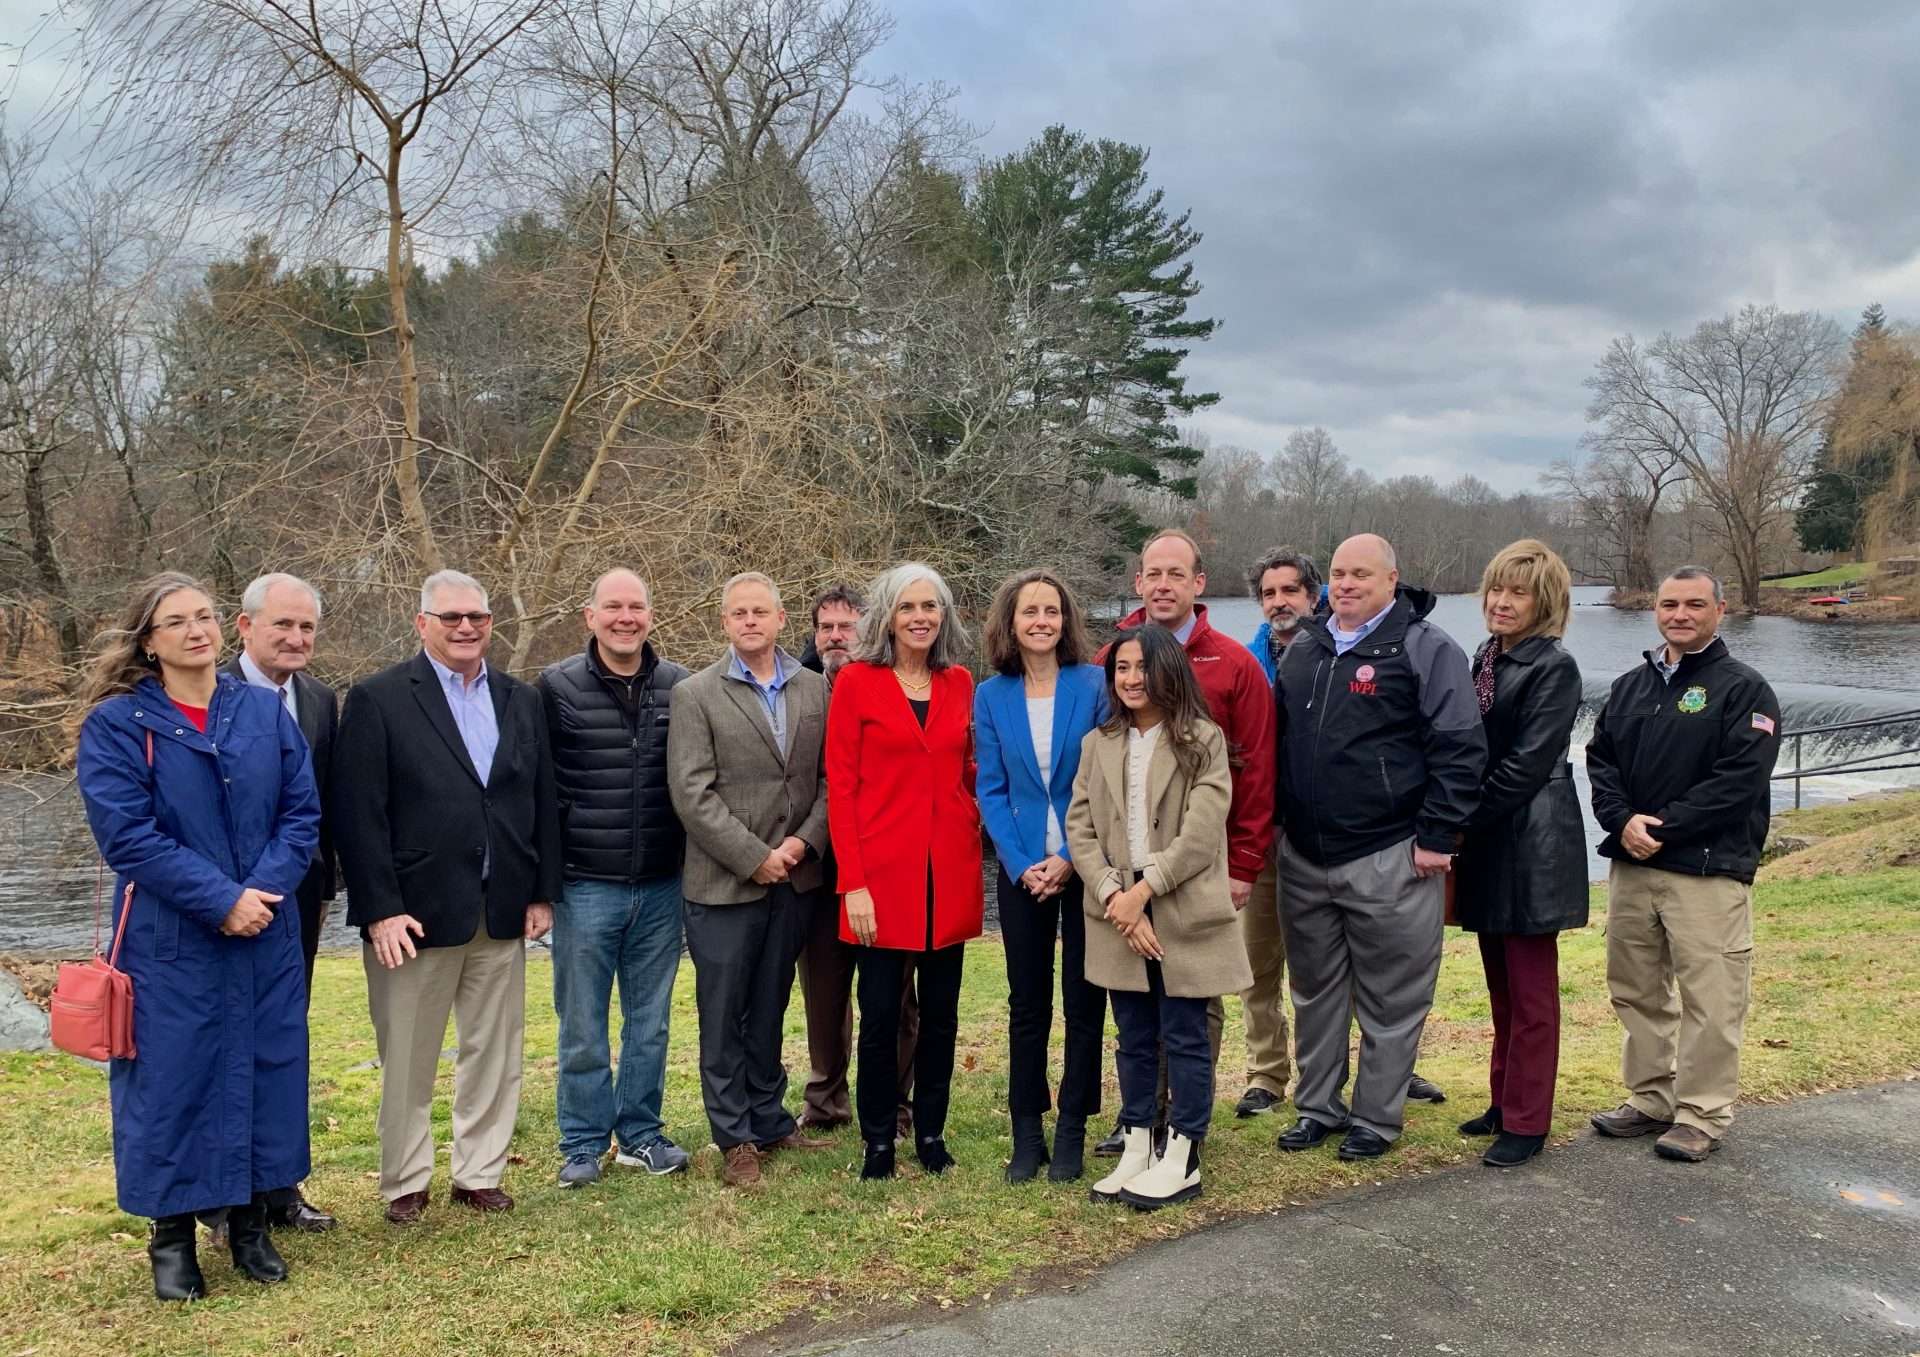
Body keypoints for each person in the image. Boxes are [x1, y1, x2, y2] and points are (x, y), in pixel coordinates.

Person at [75, 572, 320, 1300]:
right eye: (176, 621)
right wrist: (220, 900)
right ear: (149, 642)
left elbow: (301, 814)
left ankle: (249, 1223)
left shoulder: (262, 711)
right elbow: (128, 837)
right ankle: (174, 1236)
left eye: (205, 616)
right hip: (171, 939)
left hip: (265, 930)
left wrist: (260, 893)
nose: (196, 630)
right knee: (171, 1082)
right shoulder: (120, 724)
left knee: (265, 1070)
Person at [332, 570, 561, 1224]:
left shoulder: (520, 698)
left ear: (491, 622)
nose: (466, 627)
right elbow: (358, 815)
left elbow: (540, 798)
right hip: (414, 914)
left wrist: (542, 891)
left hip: (502, 905)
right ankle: (406, 1180)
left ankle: (479, 1173)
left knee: (495, 1050)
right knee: (408, 1054)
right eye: (451, 616)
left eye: (477, 617)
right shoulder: (378, 699)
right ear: (422, 623)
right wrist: (380, 909)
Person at [1272, 533, 1486, 1161]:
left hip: (1390, 852)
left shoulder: (1426, 649)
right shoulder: (1305, 647)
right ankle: (1317, 1107)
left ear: (1392, 580)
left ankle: (1375, 1117)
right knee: (1314, 992)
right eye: (1338, 573)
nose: (1346, 584)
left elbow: (1460, 747)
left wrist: (1438, 836)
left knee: (1392, 997)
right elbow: (1280, 740)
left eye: (1361, 574)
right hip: (1305, 855)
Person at [1585, 565, 1780, 1163]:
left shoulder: (1744, 689)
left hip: (1707, 869)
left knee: (1711, 998)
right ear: (1656, 610)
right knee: (1636, 988)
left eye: (1694, 604)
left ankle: (1701, 1113)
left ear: (1720, 611)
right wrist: (1622, 821)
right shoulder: (1630, 686)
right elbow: (1600, 762)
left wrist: (1661, 829)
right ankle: (1651, 1098)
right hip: (1633, 865)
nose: (1680, 614)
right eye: (1670, 604)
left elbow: (1739, 780)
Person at [1093, 528, 1274, 1156]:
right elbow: (1098, 776)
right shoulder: (1111, 659)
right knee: (1136, 1012)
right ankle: (1139, 1119)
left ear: (1199, 583)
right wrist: (1114, 885)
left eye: (1177, 573)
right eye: (1154, 573)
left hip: (1200, 869)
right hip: (1127, 876)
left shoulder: (1234, 663)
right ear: (1139, 582)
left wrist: (1244, 863)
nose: (1163, 584)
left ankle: (1184, 1126)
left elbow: (1257, 771)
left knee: (1194, 1006)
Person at [1067, 626, 1248, 1210]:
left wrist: (1144, 892)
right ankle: (1139, 1143)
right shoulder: (1098, 743)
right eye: (1121, 668)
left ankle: (1184, 1153)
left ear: (1169, 669)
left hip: (1179, 905)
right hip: (1116, 908)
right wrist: (1115, 895)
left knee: (1186, 1034)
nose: (1131, 678)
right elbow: (1080, 828)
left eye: (1142, 667)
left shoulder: (1202, 739)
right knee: (1135, 1037)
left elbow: (1202, 833)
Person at [668, 572, 833, 1189]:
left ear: (781, 618)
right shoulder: (695, 694)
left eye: (760, 611)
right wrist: (753, 856)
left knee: (770, 1006)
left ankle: (769, 1119)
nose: (750, 621)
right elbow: (692, 793)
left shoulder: (814, 688)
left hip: (794, 878)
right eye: (738, 613)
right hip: (724, 885)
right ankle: (733, 1136)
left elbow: (829, 780)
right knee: (723, 1014)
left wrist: (802, 844)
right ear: (724, 622)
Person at [825, 563, 984, 1180]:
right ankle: (878, 1141)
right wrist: (854, 884)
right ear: (887, 617)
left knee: (941, 1015)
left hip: (948, 872)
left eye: (930, 606)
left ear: (944, 615)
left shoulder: (960, 682)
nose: (920, 617)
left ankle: (932, 1132)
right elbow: (842, 788)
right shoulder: (857, 682)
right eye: (907, 607)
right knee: (880, 1018)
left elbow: (968, 769)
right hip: (881, 878)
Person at [537, 568, 692, 1188]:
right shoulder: (556, 687)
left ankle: (641, 1135)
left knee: (650, 1022)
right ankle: (581, 1143)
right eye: (613, 607)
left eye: (636, 607)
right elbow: (540, 790)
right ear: (590, 616)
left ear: (650, 615)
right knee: (582, 1024)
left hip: (661, 882)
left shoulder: (680, 685)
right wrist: (542, 883)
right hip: (585, 884)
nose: (625, 618)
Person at [1453, 541, 1588, 1168]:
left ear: (1545, 602)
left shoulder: (1553, 668)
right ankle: (1504, 1101)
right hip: (1490, 840)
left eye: (1518, 593)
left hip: (1533, 846)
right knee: (1500, 987)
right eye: (1496, 589)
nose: (1501, 602)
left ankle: (1529, 1120)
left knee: (1532, 995)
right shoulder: (1488, 656)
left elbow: (1524, 767)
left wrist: (1458, 821)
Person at [974, 569, 1108, 1183]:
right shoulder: (991, 695)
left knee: (1084, 1001)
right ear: (1011, 622)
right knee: (1027, 1005)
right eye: (1029, 611)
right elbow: (992, 789)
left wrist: (1073, 858)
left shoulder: (1094, 684)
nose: (1041, 621)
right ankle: (1027, 1131)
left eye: (1051, 611)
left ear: (1065, 620)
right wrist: (1022, 863)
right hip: (1023, 869)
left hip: (1086, 864)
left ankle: (1073, 1127)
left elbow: (1102, 780)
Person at [224, 570, 339, 1233]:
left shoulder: (319, 700)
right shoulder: (210, 693)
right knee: (229, 1045)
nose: (296, 638)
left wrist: (328, 887)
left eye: (306, 627)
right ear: (245, 626)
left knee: (284, 1041)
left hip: (298, 900)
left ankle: (280, 1187)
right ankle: (226, 1195)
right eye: (283, 625)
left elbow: (325, 805)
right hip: (225, 902)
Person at [795, 584, 921, 1135]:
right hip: (819, 870)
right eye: (825, 628)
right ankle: (825, 1099)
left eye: (846, 626)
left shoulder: (893, 682)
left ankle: (895, 1102)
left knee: (896, 995)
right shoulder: (797, 689)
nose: (835, 637)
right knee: (824, 994)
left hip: (885, 866)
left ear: (869, 629)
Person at [1230, 546, 1323, 1122]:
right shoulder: (1246, 663)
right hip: (1260, 836)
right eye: (1268, 593)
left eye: (1290, 590)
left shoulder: (1338, 654)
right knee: (1256, 964)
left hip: (1321, 838)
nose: (1279, 602)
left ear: (1313, 596)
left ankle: (1330, 1073)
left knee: (1324, 966)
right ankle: (1266, 1075)